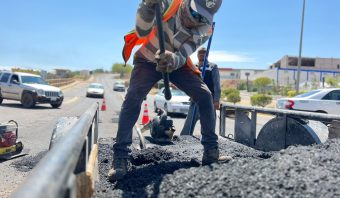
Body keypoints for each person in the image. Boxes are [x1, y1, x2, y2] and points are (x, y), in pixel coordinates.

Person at [108, 0, 230, 181]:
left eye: (202, 17)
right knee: (133, 97)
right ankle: (120, 157)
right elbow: (142, 31)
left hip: (176, 63)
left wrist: (172, 60)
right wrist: (148, 6)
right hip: (148, 59)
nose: (196, 19)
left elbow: (183, 54)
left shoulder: (205, 29)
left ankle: (211, 152)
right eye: (195, 13)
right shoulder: (167, 3)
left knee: (205, 96)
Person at [180, 47, 221, 135]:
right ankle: (183, 141)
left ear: (207, 55)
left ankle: (209, 143)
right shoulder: (193, 67)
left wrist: (216, 100)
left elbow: (216, 84)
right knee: (188, 125)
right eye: (200, 52)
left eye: (204, 52)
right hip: (195, 101)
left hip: (209, 102)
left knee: (208, 126)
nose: (202, 54)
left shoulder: (212, 67)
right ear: (197, 54)